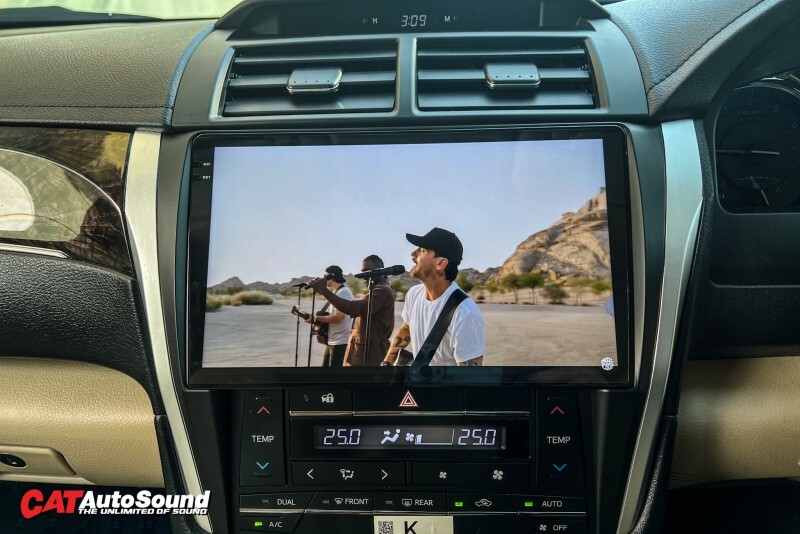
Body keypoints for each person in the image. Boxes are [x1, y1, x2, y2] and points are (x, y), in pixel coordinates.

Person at [383, 228, 485, 366]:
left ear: (441, 263)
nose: (413, 254)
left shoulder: (465, 314)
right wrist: (386, 363)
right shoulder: (414, 294)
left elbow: (468, 375)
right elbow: (406, 328)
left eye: (422, 250)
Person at [308, 255, 395, 366]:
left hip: (371, 353)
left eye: (367, 271)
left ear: (379, 271)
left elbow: (353, 308)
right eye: (362, 271)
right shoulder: (377, 289)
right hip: (362, 351)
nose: (364, 275)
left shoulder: (382, 290)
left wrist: (324, 291)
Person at [304, 265, 353, 367]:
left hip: (340, 342)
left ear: (331, 276)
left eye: (325, 276)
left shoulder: (343, 292)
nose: (323, 279)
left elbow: (338, 318)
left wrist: (315, 318)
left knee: (333, 374)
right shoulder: (336, 292)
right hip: (333, 340)